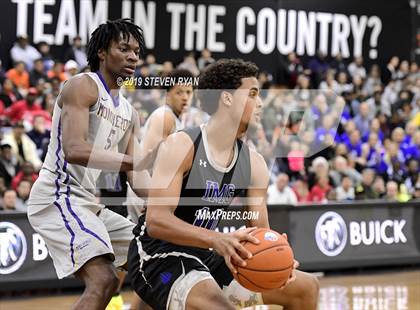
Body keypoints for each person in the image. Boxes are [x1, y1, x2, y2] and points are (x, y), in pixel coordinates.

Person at [128, 59, 319, 310]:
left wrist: (278, 253)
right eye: (252, 94)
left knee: (306, 288)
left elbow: (259, 229)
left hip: (207, 255)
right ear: (227, 99)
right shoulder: (182, 145)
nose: (260, 102)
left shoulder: (255, 164)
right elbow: (156, 221)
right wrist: (218, 239)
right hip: (158, 256)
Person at [26, 19, 154, 309]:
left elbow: (137, 177)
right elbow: (74, 149)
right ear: (102, 53)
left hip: (87, 203)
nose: (133, 56)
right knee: (104, 279)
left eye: (136, 50)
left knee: (153, 263)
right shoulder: (83, 85)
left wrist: (171, 200)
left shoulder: (129, 112)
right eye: (124, 48)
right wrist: (132, 160)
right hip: (57, 195)